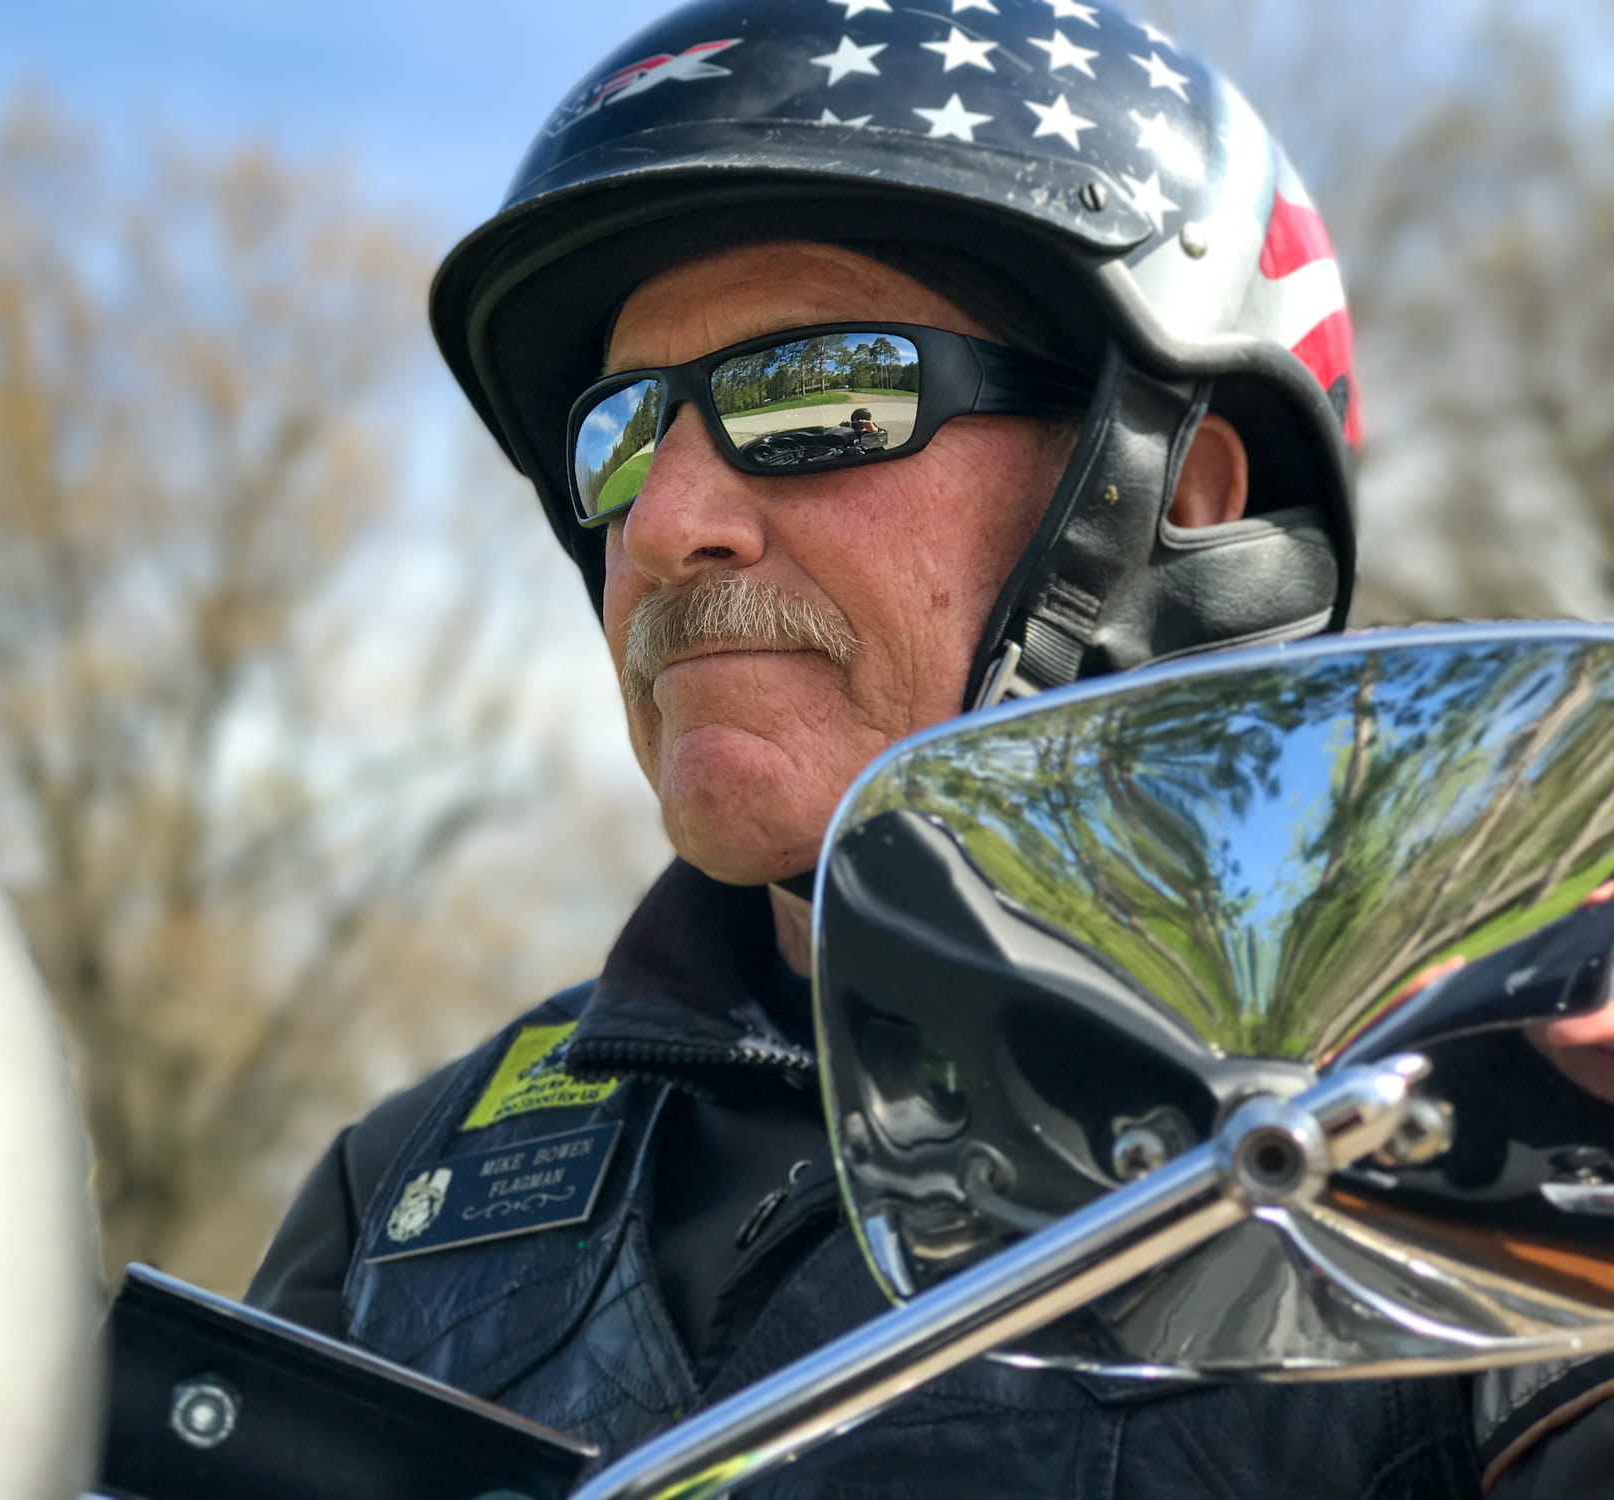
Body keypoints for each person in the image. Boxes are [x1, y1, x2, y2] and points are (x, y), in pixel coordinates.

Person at [247, 0, 1611, 1492]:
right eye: (620, 435)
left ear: (1177, 494)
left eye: (819, 392)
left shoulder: (1513, 1122)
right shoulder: (404, 1191)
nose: (661, 522)